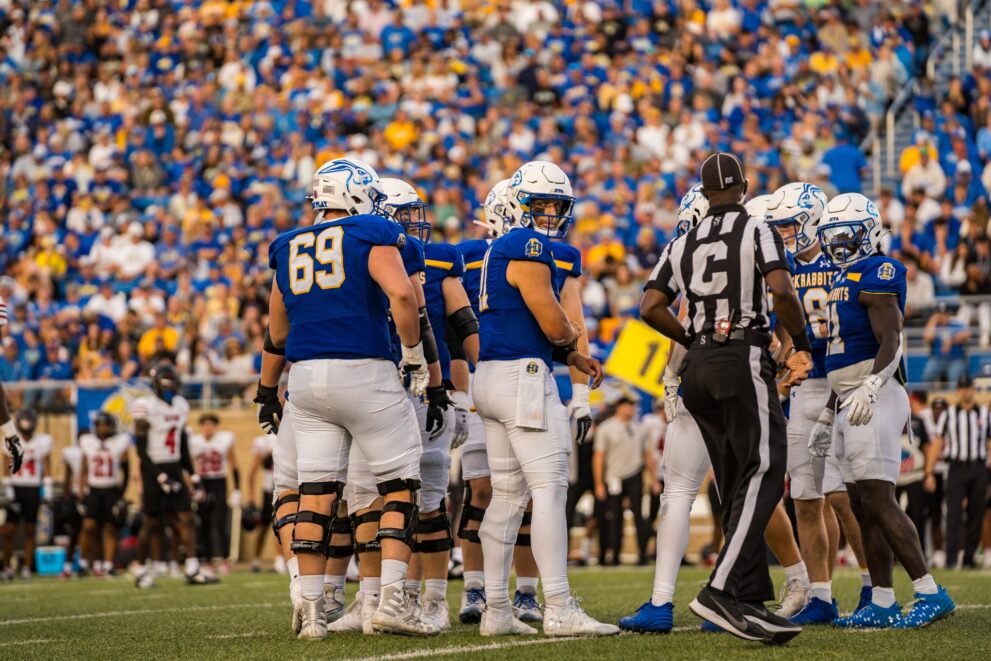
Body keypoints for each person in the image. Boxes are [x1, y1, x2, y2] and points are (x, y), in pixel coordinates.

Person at [640, 153, 811, 644]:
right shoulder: (757, 228)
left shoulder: (682, 240)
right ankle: (720, 589)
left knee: (737, 478)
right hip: (741, 355)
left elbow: (650, 305)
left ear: (703, 193)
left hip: (698, 370)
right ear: (745, 187)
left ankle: (747, 597)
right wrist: (801, 344)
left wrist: (692, 341)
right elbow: (781, 289)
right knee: (764, 469)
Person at [265, 158, 435, 640]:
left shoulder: (287, 243)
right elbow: (403, 297)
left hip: (305, 379)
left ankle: (314, 613)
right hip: (364, 371)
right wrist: (413, 356)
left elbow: (277, 329)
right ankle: (393, 602)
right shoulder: (371, 231)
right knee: (400, 485)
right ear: (357, 194)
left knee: (316, 496)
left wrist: (267, 386)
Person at [473, 160, 616, 637]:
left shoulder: (497, 249)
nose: (551, 213)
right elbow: (554, 324)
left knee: (508, 496)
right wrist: (573, 338)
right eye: (541, 204)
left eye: (558, 205)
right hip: (523, 378)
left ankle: (496, 609)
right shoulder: (527, 244)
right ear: (519, 204)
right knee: (551, 490)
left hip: (491, 375)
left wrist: (573, 358)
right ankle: (558, 606)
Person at [814, 192, 955, 629]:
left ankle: (931, 590)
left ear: (869, 231)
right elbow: (844, 356)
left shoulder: (879, 269)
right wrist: (827, 409)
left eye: (845, 234)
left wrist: (872, 385)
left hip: (874, 394)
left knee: (878, 496)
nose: (837, 243)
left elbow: (892, 340)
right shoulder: (843, 275)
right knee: (861, 503)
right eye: (831, 235)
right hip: (849, 396)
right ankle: (882, 599)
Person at [381, 176, 480, 632]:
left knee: (432, 488)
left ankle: (434, 598)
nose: (414, 226)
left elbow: (459, 332)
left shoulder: (438, 257)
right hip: (378, 384)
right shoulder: (361, 253)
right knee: (375, 496)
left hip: (427, 386)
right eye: (403, 217)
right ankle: (388, 597)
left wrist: (459, 396)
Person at [763, 182, 843, 624]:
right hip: (805, 389)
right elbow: (790, 332)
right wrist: (783, 358)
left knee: (846, 497)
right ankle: (821, 596)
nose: (785, 233)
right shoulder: (783, 268)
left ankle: (875, 589)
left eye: (790, 223)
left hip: (843, 385)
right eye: (779, 226)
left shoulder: (841, 259)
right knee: (807, 500)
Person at [453, 179, 512, 624]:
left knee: (526, 494)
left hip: (518, 374)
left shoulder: (541, 251)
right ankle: (473, 588)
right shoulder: (464, 253)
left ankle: (524, 592)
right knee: (480, 489)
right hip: (476, 377)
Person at [131, 362, 217, 588]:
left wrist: (193, 475)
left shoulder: (180, 404)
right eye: (166, 385)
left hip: (174, 467)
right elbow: (140, 450)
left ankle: (192, 568)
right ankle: (140, 569)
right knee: (151, 522)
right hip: (152, 468)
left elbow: (182, 441)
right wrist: (160, 477)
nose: (170, 389)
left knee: (187, 517)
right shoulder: (144, 406)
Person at [593, 393, 656, 566]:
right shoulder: (606, 428)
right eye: (628, 405)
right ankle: (614, 555)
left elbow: (647, 455)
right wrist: (599, 483)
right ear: (620, 407)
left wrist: (654, 478)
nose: (632, 409)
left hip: (634, 475)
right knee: (615, 518)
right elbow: (599, 457)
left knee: (639, 517)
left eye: (633, 405)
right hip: (614, 477)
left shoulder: (640, 428)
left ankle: (642, 554)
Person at [934, 374, 989, 569]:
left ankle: (969, 558)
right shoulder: (948, 414)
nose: (966, 391)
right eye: (962, 388)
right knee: (953, 514)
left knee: (976, 513)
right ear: (958, 391)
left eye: (968, 388)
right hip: (956, 468)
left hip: (978, 467)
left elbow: (989, 444)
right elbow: (938, 442)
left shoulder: (984, 413)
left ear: (973, 389)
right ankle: (950, 558)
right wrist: (928, 472)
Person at [0, 409, 53, 579]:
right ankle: (7, 568)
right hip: (16, 487)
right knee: (9, 530)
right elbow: (5, 464)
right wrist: (7, 487)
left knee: (31, 529)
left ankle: (26, 568)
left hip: (32, 488)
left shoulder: (42, 441)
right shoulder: (11, 440)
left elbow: (47, 465)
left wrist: (48, 488)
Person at [79, 411, 130, 576]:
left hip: (111, 490)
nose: (102, 428)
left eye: (105, 425)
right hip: (94, 489)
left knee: (110, 527)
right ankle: (83, 562)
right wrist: (81, 490)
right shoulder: (87, 441)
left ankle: (108, 565)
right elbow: (84, 468)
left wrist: (122, 493)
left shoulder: (119, 442)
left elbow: (126, 469)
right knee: (89, 526)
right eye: (99, 425)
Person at [189, 413, 239, 572]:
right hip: (201, 482)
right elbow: (189, 465)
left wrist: (237, 489)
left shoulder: (225, 439)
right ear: (201, 427)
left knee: (219, 521)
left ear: (216, 427)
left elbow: (234, 464)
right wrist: (193, 485)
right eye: (205, 424)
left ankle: (224, 559)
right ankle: (207, 560)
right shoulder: (194, 441)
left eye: (211, 424)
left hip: (219, 482)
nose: (208, 428)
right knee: (203, 522)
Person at [246, 432, 280, 573]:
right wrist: (251, 496)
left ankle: (280, 560)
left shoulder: (293, 434)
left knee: (281, 524)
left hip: (286, 488)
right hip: (269, 490)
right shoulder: (264, 442)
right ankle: (256, 559)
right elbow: (252, 472)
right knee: (264, 526)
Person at [921, 302, 970, 385]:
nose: (943, 316)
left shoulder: (956, 324)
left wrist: (952, 340)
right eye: (940, 314)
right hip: (937, 359)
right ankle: (931, 397)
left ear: (949, 314)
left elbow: (967, 334)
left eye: (945, 314)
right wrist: (933, 320)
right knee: (927, 375)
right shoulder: (934, 326)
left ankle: (953, 397)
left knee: (955, 378)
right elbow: (927, 337)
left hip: (955, 359)